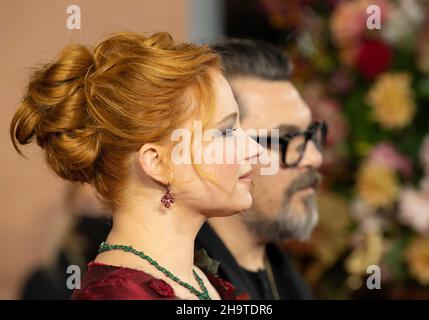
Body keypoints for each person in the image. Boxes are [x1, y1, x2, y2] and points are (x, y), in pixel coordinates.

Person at [10, 32, 262, 300]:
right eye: (224, 132)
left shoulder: (199, 279)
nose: (255, 149)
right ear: (158, 163)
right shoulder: (116, 295)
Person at [196, 39, 327, 299]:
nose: (313, 158)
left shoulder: (288, 278)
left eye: (310, 135)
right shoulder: (180, 285)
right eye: (287, 139)